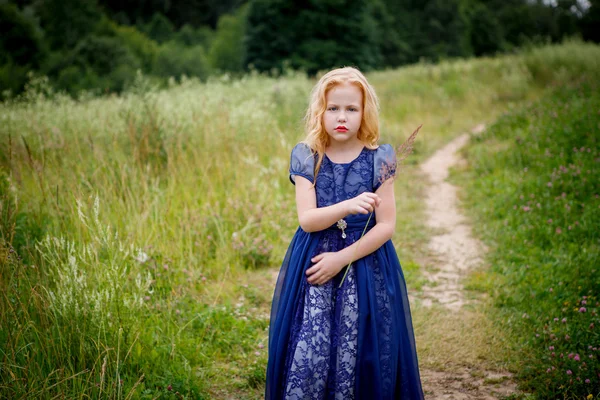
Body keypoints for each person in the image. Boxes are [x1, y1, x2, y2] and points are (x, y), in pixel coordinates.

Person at [265, 67, 423, 399]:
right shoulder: (307, 156)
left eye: (351, 109)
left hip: (365, 265)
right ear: (319, 113)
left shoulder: (380, 158)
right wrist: (349, 205)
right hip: (315, 262)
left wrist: (342, 258)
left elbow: (386, 226)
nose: (342, 117)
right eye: (333, 108)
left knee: (359, 341)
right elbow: (307, 219)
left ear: (364, 112)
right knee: (311, 342)